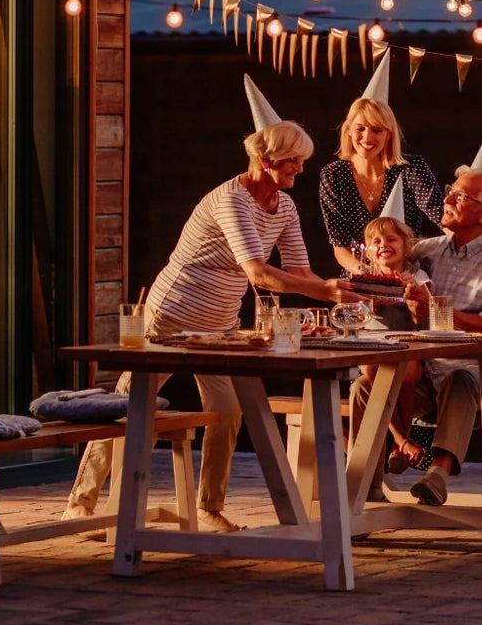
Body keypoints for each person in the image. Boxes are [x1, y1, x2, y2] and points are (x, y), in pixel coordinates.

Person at [64, 119, 361, 533]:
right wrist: (328, 293)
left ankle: (210, 506)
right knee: (133, 405)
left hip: (220, 324)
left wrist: (349, 290)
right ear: (263, 159)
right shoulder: (231, 200)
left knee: (226, 411)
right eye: (291, 160)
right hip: (172, 315)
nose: (299, 168)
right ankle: (82, 502)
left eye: (301, 160)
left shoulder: (285, 205)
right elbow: (259, 273)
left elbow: (299, 270)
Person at [351, 163, 482, 507]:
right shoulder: (426, 250)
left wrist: (435, 312)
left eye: (461, 195)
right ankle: (363, 483)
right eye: (450, 188)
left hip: (469, 370)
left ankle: (437, 474)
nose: (447, 198)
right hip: (419, 372)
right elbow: (379, 267)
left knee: (462, 379)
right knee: (364, 387)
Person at [319, 97, 443, 277]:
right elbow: (340, 247)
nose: (367, 137)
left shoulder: (411, 168)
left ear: (389, 134)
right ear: (348, 131)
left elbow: (443, 217)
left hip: (408, 277)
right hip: (360, 278)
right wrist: (374, 277)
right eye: (360, 128)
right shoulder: (333, 175)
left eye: (376, 130)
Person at [359, 216, 430, 473]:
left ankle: (398, 443)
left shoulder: (416, 276)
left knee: (406, 371)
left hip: (408, 349)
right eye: (376, 241)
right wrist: (369, 304)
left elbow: (422, 319)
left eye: (391, 239)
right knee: (371, 369)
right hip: (374, 350)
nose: (383, 245)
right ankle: (401, 442)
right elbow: (353, 318)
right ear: (368, 250)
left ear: (406, 246)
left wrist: (414, 300)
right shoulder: (364, 279)